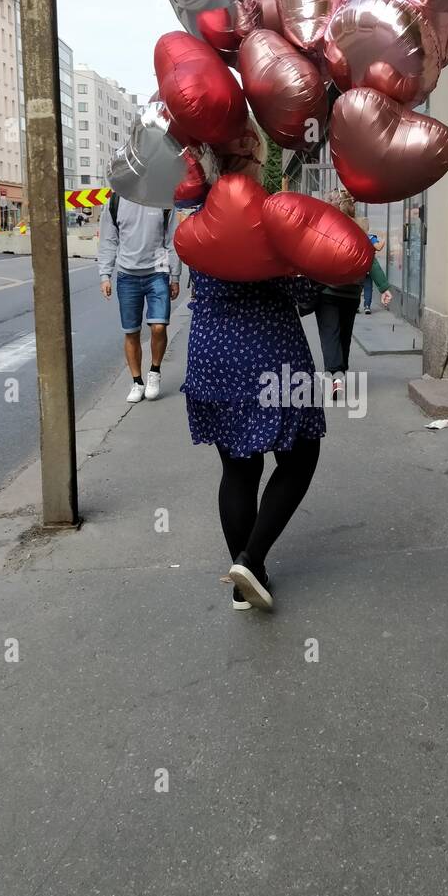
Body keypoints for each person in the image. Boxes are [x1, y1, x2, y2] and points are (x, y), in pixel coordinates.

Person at [183, 271, 326, 613]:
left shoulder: (201, 219)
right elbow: (302, 290)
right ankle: (252, 560)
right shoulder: (273, 219)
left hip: (212, 348)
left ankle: (245, 583)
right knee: (300, 456)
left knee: (237, 469)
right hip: (269, 349)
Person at [98, 193, 181, 402]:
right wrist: (105, 275)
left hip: (158, 273)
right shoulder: (115, 201)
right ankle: (137, 382)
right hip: (127, 276)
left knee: (159, 326)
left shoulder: (162, 200)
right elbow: (108, 240)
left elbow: (172, 240)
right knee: (131, 332)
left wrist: (175, 276)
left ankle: (154, 371)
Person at [315, 189, 392, 399]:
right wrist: (384, 287)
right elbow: (370, 261)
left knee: (330, 333)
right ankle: (341, 372)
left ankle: (336, 375)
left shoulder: (323, 228)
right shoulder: (359, 231)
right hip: (351, 292)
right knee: (345, 334)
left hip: (327, 290)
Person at [362, 231, 385, 314]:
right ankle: (367, 306)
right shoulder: (371, 238)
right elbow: (378, 247)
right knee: (368, 287)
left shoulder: (355, 235)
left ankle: (356, 306)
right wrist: (383, 240)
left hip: (358, 266)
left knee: (357, 286)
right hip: (368, 265)